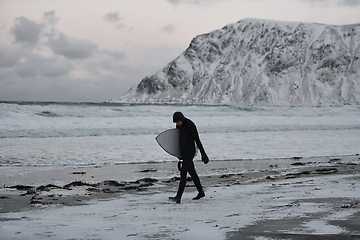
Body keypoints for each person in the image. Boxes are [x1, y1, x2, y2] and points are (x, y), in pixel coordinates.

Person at [169, 112, 209, 203]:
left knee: (183, 174)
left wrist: (203, 154)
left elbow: (197, 140)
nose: (177, 124)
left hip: (190, 151)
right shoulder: (178, 126)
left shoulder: (190, 125)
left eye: (178, 122)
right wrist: (179, 154)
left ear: (182, 119)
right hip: (183, 152)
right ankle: (201, 192)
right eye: (176, 122)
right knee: (192, 173)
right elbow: (178, 139)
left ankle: (178, 197)